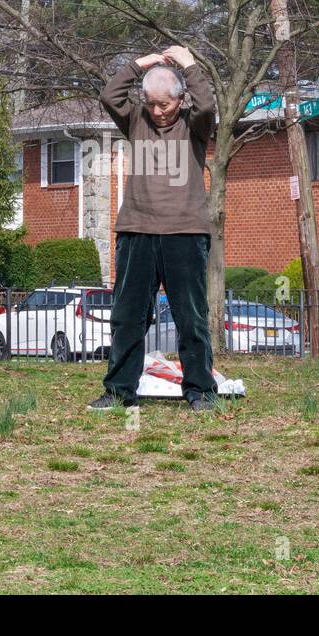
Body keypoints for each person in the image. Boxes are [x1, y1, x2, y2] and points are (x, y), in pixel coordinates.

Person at [89, 45, 217, 413]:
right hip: (137, 229)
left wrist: (189, 65)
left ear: (181, 99)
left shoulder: (195, 125)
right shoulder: (136, 121)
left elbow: (207, 105)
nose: (158, 112)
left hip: (185, 233)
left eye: (165, 104)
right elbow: (109, 94)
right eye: (151, 103)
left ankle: (200, 392)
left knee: (190, 317)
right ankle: (119, 392)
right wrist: (140, 64)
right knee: (128, 316)